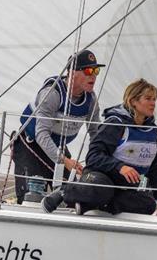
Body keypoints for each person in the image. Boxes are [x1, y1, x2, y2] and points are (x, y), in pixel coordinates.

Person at [43, 79, 157, 217]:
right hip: (100, 178)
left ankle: (89, 207)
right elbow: (93, 157)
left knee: (147, 204)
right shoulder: (115, 123)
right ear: (133, 101)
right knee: (102, 189)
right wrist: (120, 167)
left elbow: (155, 167)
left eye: (154, 99)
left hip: (124, 186)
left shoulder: (152, 131)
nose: (153, 103)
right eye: (148, 98)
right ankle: (64, 192)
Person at [13, 49, 103, 204]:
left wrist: (99, 161)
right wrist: (65, 161)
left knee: (76, 194)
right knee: (31, 196)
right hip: (31, 144)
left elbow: (96, 133)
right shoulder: (53, 93)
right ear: (72, 72)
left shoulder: (91, 100)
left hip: (58, 147)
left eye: (96, 71)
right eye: (88, 70)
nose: (93, 76)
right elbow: (41, 134)